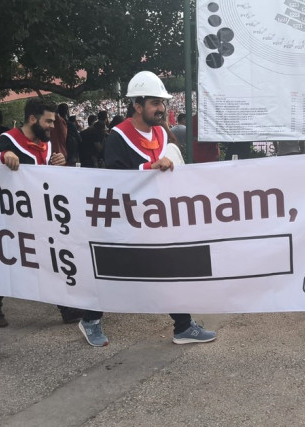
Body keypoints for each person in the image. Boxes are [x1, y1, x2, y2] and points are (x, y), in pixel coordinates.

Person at [77, 71, 217, 347]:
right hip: (127, 218)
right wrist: (149, 168)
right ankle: (90, 319)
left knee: (168, 267)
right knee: (113, 271)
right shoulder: (119, 137)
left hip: (156, 217)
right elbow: (115, 178)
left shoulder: (161, 134)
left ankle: (183, 326)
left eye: (162, 102)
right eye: (154, 102)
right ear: (137, 105)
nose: (161, 108)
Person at [0, 98, 69, 327]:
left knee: (51, 258)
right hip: (12, 214)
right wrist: (2, 157)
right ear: (32, 119)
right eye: (48, 121)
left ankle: (66, 306)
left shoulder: (45, 144)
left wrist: (59, 163)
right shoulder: (9, 140)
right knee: (5, 260)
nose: (52, 126)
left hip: (40, 212)